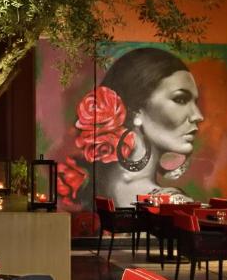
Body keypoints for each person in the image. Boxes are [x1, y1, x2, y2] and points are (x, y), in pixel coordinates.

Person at [80, 48, 204, 208]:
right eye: (180, 99)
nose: (198, 116)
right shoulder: (172, 203)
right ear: (137, 110)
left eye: (195, 103)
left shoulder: (101, 189)